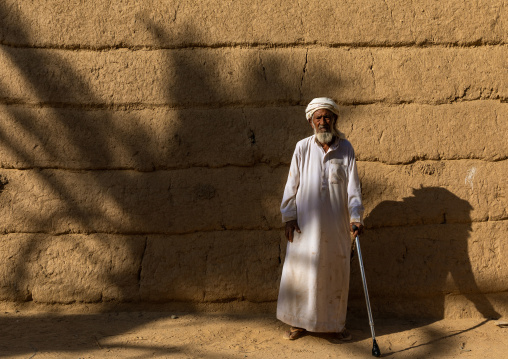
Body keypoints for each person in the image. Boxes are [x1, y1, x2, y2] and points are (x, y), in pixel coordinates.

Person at [277, 97, 364, 340]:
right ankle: (297, 324)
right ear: (311, 122)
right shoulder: (302, 147)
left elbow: (353, 189)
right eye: (318, 118)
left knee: (333, 274)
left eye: (327, 117)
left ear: (334, 120)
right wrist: (289, 216)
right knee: (301, 273)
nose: (323, 122)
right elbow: (291, 185)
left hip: (336, 226)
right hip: (305, 226)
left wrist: (356, 217)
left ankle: (335, 325)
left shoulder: (346, 148)